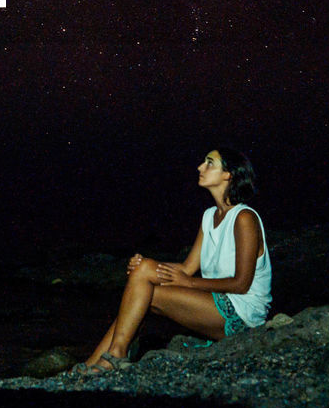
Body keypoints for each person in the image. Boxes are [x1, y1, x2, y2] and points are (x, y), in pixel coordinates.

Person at [74, 149, 272, 375]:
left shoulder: (244, 218)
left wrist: (188, 283)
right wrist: (143, 267)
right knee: (141, 281)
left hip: (243, 314)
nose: (200, 167)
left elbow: (241, 283)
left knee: (141, 295)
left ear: (228, 175)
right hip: (215, 303)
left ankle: (111, 356)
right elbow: (187, 268)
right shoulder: (209, 216)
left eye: (209, 163)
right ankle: (99, 360)